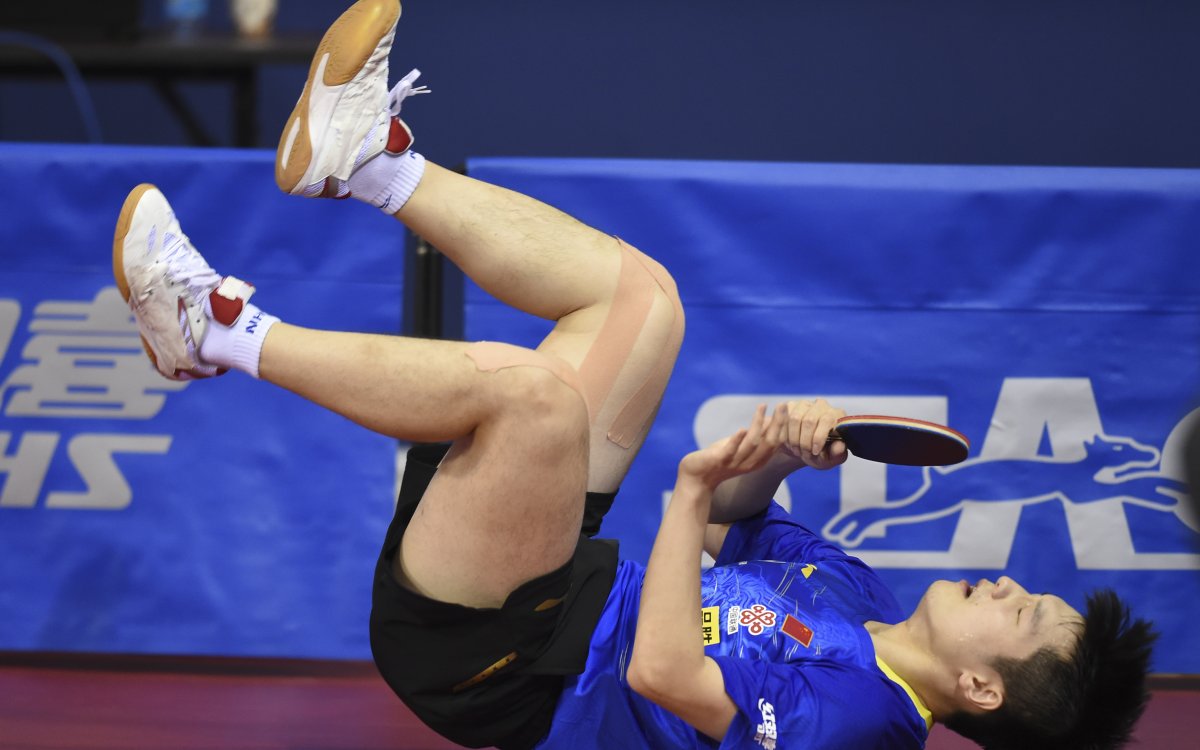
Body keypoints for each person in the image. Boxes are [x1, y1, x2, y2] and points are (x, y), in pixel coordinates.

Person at [112, 2, 1157, 748]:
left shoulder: (860, 723)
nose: (1011, 585)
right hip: (556, 579)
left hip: (502, 664)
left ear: (980, 689)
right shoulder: (862, 601)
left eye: (1025, 614)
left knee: (531, 399)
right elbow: (739, 527)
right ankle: (368, 161)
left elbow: (664, 672)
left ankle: (213, 332)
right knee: (643, 301)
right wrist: (777, 459)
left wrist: (691, 490)